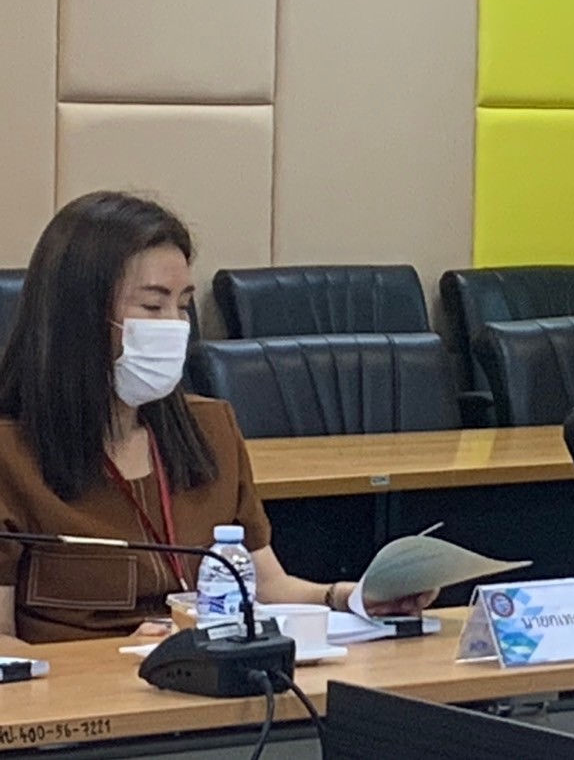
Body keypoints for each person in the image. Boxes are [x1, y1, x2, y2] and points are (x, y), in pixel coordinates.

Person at [0, 191, 434, 643]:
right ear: (79, 316)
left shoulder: (210, 429)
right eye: (152, 306)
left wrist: (351, 597)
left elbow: (267, 586)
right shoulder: (10, 452)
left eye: (183, 305)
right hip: (93, 683)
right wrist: (113, 658)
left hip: (214, 674)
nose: (174, 324)